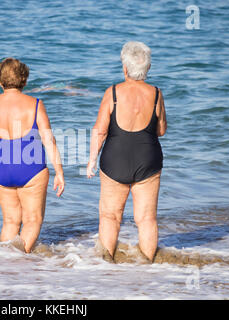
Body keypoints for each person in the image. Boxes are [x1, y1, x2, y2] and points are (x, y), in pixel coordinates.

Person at [0, 57, 65, 253]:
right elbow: (49, 140)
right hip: (30, 167)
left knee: (10, 220)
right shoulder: (35, 104)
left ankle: (4, 264)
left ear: (0, 81)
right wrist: (59, 171)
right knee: (32, 219)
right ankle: (18, 265)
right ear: (24, 80)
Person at [87, 41, 167, 262]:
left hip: (115, 161)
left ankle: (106, 266)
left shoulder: (112, 92)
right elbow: (161, 130)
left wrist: (91, 160)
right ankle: (149, 266)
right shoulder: (157, 94)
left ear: (124, 68)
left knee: (110, 216)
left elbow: (100, 131)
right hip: (148, 160)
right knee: (147, 218)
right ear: (147, 69)